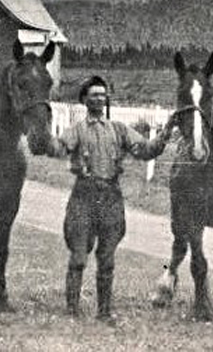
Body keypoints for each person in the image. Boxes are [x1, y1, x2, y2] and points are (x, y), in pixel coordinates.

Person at [46, 75, 175, 322]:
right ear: (84, 100)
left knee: (107, 258)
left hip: (110, 198)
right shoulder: (76, 131)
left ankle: (104, 312)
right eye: (93, 94)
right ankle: (72, 311)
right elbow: (57, 148)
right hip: (83, 197)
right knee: (78, 257)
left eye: (102, 94)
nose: (98, 98)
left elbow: (146, 150)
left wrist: (166, 133)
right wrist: (42, 136)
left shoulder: (119, 130)